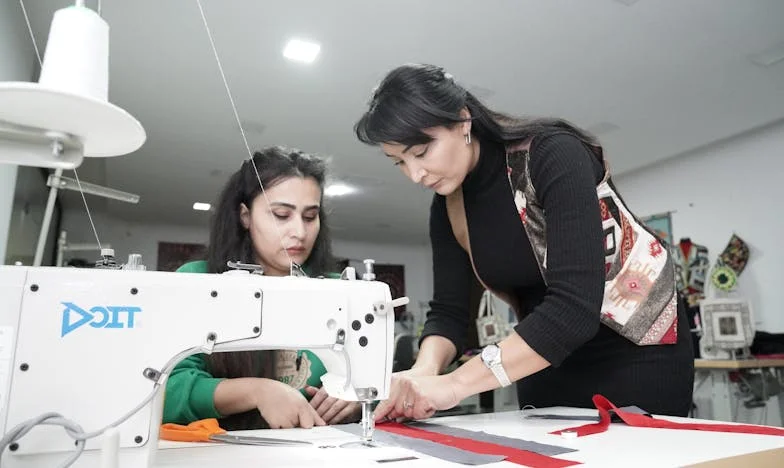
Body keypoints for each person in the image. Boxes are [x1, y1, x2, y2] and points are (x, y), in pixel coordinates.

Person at [354, 64, 694, 422]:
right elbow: (449, 312)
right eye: (399, 163)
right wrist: (422, 372)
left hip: (634, 352)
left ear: (463, 121)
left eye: (421, 152)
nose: (415, 175)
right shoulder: (449, 207)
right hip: (541, 355)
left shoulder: (552, 154)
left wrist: (455, 384)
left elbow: (574, 309)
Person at [163, 146, 360, 430]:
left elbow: (371, 381)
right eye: (281, 215)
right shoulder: (199, 281)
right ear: (245, 216)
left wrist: (357, 396)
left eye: (310, 217)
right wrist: (257, 391)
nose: (300, 232)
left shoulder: (338, 289)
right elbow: (167, 391)